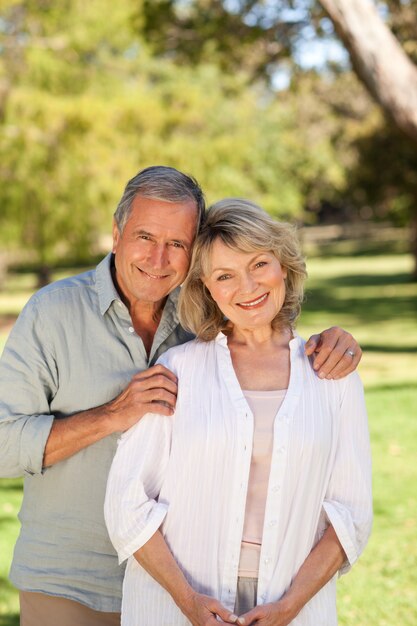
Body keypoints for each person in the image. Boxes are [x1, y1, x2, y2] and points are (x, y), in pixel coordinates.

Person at [0, 167, 362, 626]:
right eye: (145, 237)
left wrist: (335, 341)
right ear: (116, 234)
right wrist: (113, 414)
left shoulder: (201, 321)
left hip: (175, 588)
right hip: (71, 580)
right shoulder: (51, 314)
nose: (158, 258)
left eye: (177, 244)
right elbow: (4, 447)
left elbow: (258, 312)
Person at [104, 198, 372, 626]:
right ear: (206, 288)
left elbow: (350, 511)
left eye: (259, 264)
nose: (247, 288)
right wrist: (188, 600)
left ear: (283, 265)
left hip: (294, 607)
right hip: (176, 607)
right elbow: (127, 504)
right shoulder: (178, 371)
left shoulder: (332, 375)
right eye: (225, 275)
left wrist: (291, 606)